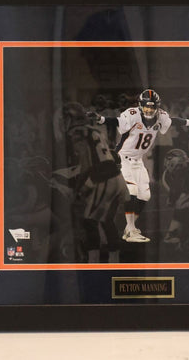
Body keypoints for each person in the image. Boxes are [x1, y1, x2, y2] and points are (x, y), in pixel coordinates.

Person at [87, 89, 189, 243]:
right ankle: (125, 228)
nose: (149, 109)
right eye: (146, 106)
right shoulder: (132, 115)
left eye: (152, 106)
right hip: (124, 158)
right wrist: (101, 119)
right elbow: (116, 121)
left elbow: (175, 121)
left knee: (145, 196)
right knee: (131, 192)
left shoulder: (160, 116)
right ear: (140, 105)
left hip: (138, 160)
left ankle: (128, 227)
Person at [63, 102, 129, 263]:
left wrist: (78, 188)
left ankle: (94, 261)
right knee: (105, 220)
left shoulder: (78, 133)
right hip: (114, 175)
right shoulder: (95, 130)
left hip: (102, 177)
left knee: (89, 221)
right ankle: (113, 260)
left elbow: (86, 164)